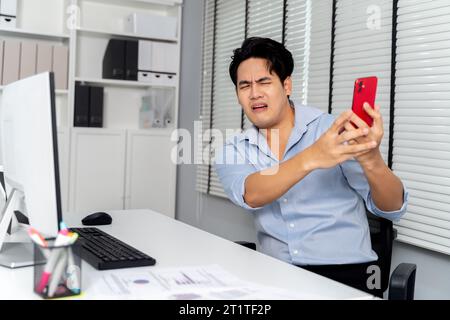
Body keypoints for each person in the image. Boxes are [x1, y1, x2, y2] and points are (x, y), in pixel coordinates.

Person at [214, 37, 408, 295]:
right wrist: (312, 157)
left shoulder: (333, 131)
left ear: (286, 85)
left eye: (264, 82)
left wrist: (372, 159)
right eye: (244, 86)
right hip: (274, 274)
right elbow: (251, 193)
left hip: (347, 274)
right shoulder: (233, 149)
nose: (254, 93)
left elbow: (392, 207)